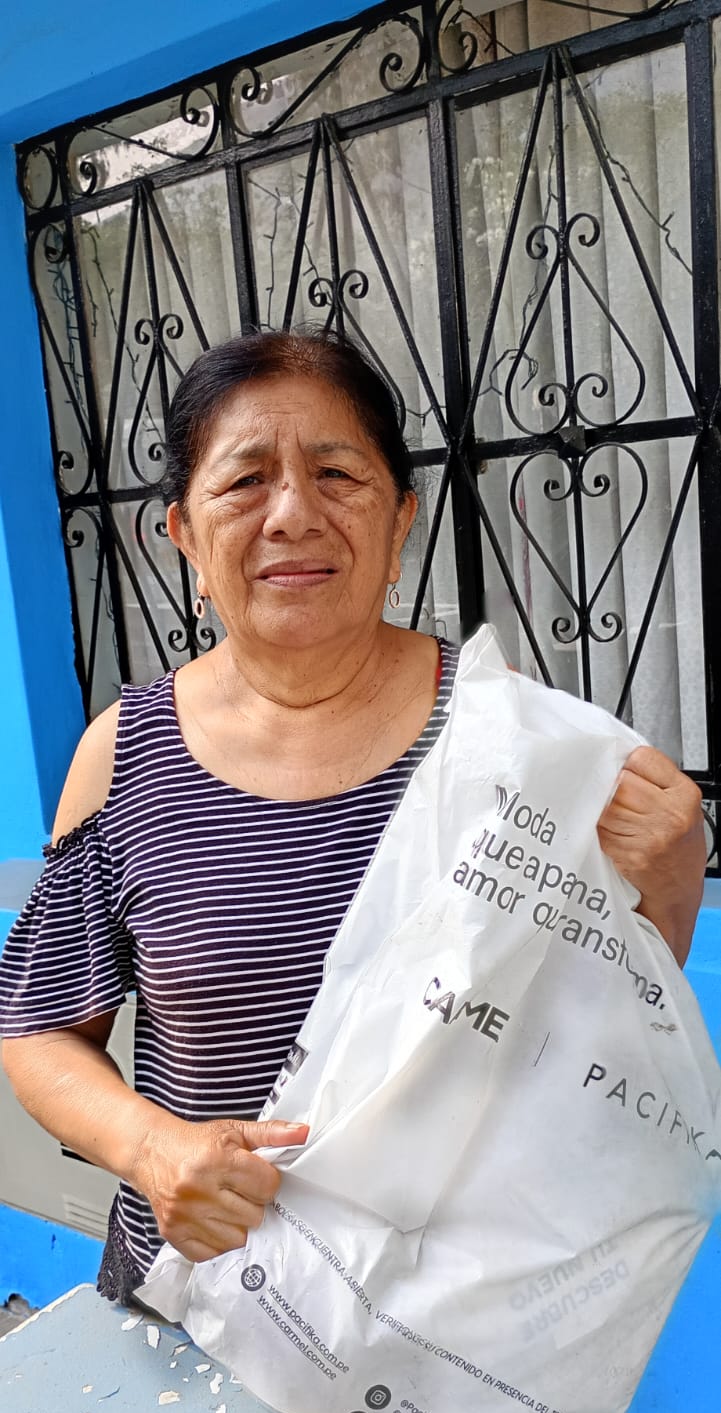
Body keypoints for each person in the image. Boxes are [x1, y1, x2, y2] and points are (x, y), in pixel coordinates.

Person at [0, 330, 706, 1311]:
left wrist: (672, 873)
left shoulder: (508, 733)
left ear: (400, 518)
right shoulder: (126, 754)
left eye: (337, 474)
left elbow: (606, 1025)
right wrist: (151, 1147)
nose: (293, 513)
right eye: (244, 481)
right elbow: (37, 1030)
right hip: (201, 1301)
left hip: (456, 1320)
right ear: (184, 535)